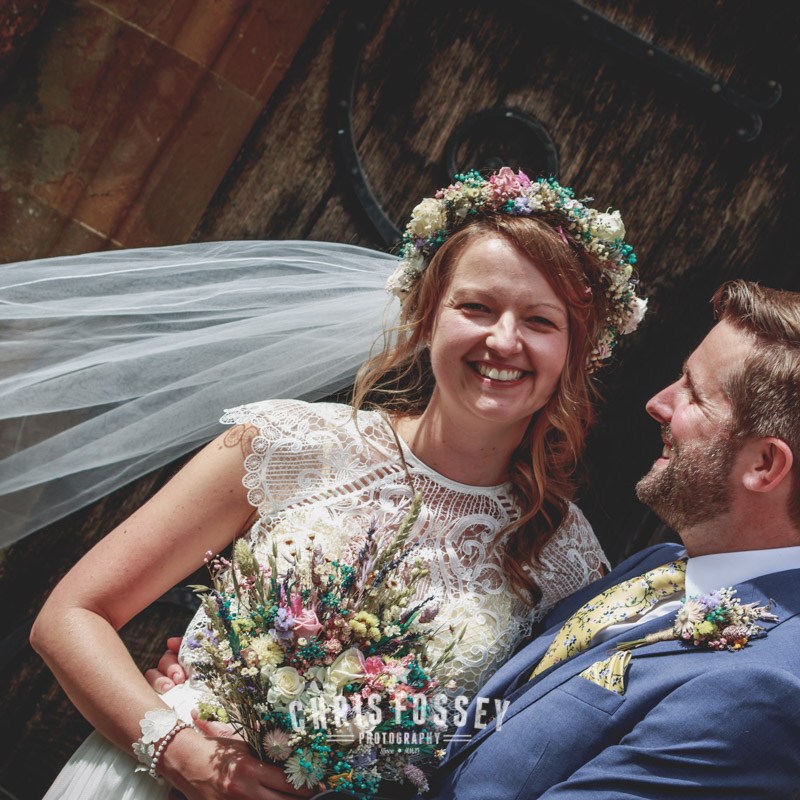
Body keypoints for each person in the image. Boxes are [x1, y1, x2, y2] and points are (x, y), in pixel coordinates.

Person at [29, 168, 646, 799]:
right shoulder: (285, 445)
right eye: (477, 307)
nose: (504, 340)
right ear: (428, 316)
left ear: (575, 351)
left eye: (541, 321)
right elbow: (70, 615)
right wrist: (176, 749)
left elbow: (505, 747)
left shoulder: (571, 563)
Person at [418, 279, 800, 799]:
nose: (657, 403)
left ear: (764, 464)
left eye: (693, 393)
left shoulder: (760, 689)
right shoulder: (659, 566)